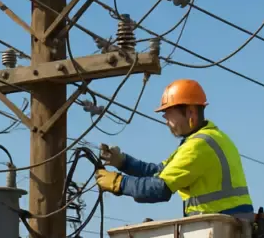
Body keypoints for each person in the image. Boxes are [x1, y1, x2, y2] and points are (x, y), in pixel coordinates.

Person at [94, 79, 254, 217]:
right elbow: (157, 171)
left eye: (168, 115)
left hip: (221, 227)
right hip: (230, 225)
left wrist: (119, 183)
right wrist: (123, 162)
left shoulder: (198, 146)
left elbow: (159, 188)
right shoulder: (212, 137)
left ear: (190, 112)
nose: (166, 122)